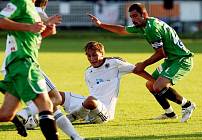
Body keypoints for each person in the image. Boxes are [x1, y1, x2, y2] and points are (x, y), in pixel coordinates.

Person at [88, 3, 196, 122]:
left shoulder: (151, 29)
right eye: (131, 17)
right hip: (171, 60)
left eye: (135, 16)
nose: (133, 20)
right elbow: (122, 30)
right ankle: (169, 113)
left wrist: (143, 64)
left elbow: (161, 53)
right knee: (150, 84)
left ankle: (187, 105)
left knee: (159, 86)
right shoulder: (144, 25)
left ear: (144, 14)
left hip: (182, 59)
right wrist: (101, 24)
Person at [13, 0, 83, 139]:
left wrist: (46, 28)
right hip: (27, 63)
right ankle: (24, 114)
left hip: (17, 62)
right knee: (55, 98)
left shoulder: (24, 12)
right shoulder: (35, 10)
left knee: (53, 109)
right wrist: (49, 22)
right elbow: (46, 25)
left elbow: (37, 35)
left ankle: (77, 138)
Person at [0, 0, 59, 139]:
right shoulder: (21, 2)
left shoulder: (32, 8)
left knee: (6, 114)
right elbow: (1, 21)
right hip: (23, 62)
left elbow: (31, 37)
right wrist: (29, 27)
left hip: (21, 63)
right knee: (46, 104)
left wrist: (46, 31)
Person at [58, 41, 154, 124]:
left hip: (104, 112)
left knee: (90, 100)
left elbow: (137, 70)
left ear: (102, 54)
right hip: (89, 106)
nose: (91, 58)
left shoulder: (114, 63)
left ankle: (70, 118)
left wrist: (154, 81)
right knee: (57, 95)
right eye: (88, 55)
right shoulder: (88, 72)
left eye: (94, 55)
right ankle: (52, 117)